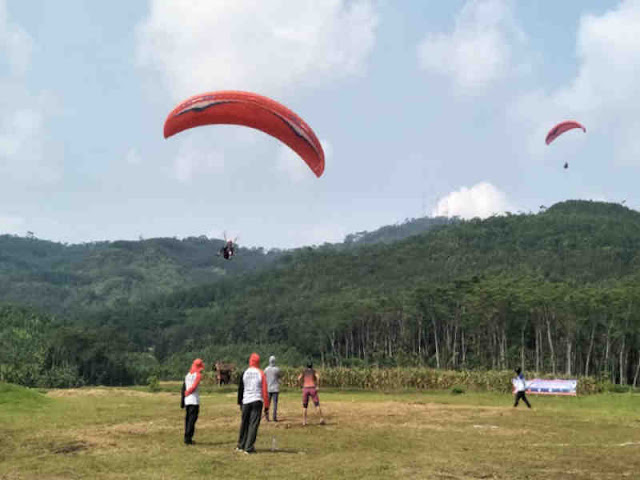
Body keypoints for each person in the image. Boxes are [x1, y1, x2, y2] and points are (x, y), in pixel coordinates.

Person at [236, 353, 269, 454]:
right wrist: (267, 406)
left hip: (246, 401)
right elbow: (264, 391)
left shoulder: (244, 372)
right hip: (256, 400)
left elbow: (240, 389)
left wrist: (239, 402)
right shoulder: (261, 373)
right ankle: (249, 447)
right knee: (253, 424)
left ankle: (241, 445)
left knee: (244, 423)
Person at [183, 358, 205, 445]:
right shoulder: (198, 375)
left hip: (187, 400)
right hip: (194, 400)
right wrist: (188, 392)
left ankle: (186, 436)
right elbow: (194, 386)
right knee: (192, 420)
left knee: (188, 419)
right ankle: (188, 438)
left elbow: (186, 386)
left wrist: (186, 393)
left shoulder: (188, 374)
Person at [264, 356, 281, 422]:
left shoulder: (266, 369)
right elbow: (279, 377)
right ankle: (274, 417)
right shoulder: (277, 369)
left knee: (267, 403)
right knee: (275, 404)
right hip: (275, 389)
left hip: (268, 388)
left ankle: (267, 417)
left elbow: (264, 377)